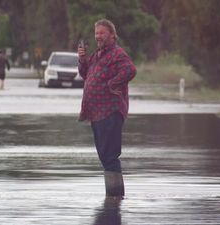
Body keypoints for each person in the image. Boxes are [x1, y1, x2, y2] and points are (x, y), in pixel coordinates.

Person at [78, 19, 136, 198]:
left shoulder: (117, 53)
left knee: (110, 156)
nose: (98, 36)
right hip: (97, 113)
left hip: (111, 111)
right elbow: (85, 74)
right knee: (104, 156)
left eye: (102, 33)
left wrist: (112, 84)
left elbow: (130, 70)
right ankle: (113, 199)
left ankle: (115, 198)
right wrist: (81, 59)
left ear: (112, 35)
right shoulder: (97, 55)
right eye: (96, 33)